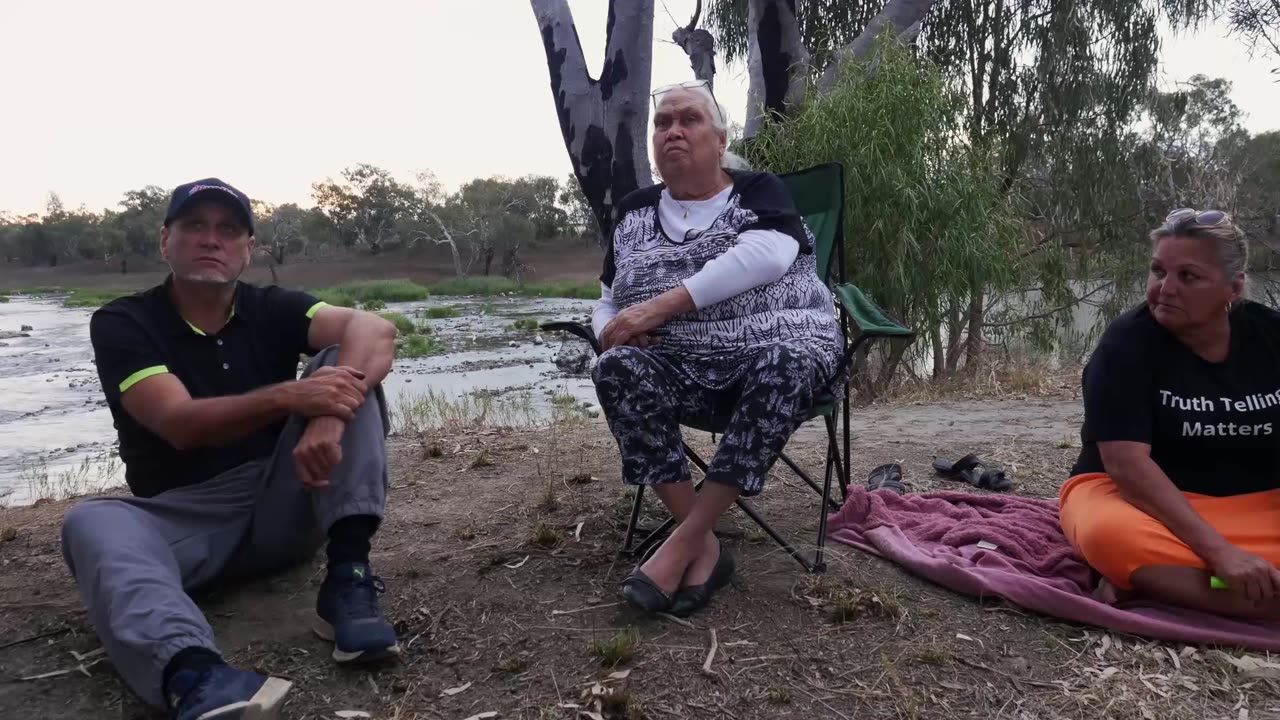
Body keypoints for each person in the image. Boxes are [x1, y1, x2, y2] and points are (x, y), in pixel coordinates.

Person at [62, 178, 402, 719]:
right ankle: (193, 673)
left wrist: (328, 417)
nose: (210, 240)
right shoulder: (124, 322)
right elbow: (178, 423)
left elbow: (375, 328)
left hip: (287, 496)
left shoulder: (270, 306)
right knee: (90, 522)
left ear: (247, 248)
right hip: (184, 520)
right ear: (165, 240)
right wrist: (295, 395)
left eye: (227, 229)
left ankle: (348, 581)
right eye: (194, 226)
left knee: (344, 362)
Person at [591, 80, 842, 617]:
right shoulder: (634, 212)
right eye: (662, 123)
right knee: (616, 368)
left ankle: (683, 544)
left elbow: (767, 257)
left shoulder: (757, 190)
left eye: (689, 120)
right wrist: (609, 331)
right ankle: (703, 544)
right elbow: (609, 300)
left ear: (720, 137)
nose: (673, 131)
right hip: (679, 369)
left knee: (786, 362)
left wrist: (657, 308)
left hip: (773, 357)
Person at [1060, 208, 1280, 619]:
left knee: (1157, 559)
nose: (1165, 288)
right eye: (1158, 271)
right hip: (1135, 501)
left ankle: (1165, 584)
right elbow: (1126, 467)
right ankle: (1225, 584)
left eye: (1188, 276)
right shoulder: (1125, 346)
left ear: (1233, 287)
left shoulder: (1272, 337)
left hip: (1254, 505)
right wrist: (1221, 553)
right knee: (1111, 537)